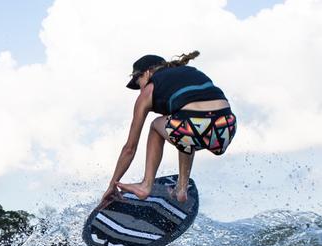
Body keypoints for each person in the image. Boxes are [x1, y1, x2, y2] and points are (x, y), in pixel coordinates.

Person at [101, 51, 237, 203]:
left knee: (158, 126)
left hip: (192, 127)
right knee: (181, 125)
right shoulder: (190, 73)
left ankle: (145, 185)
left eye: (138, 82)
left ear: (147, 73)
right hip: (226, 129)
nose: (140, 89)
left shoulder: (149, 90)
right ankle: (181, 189)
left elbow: (129, 148)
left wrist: (113, 184)